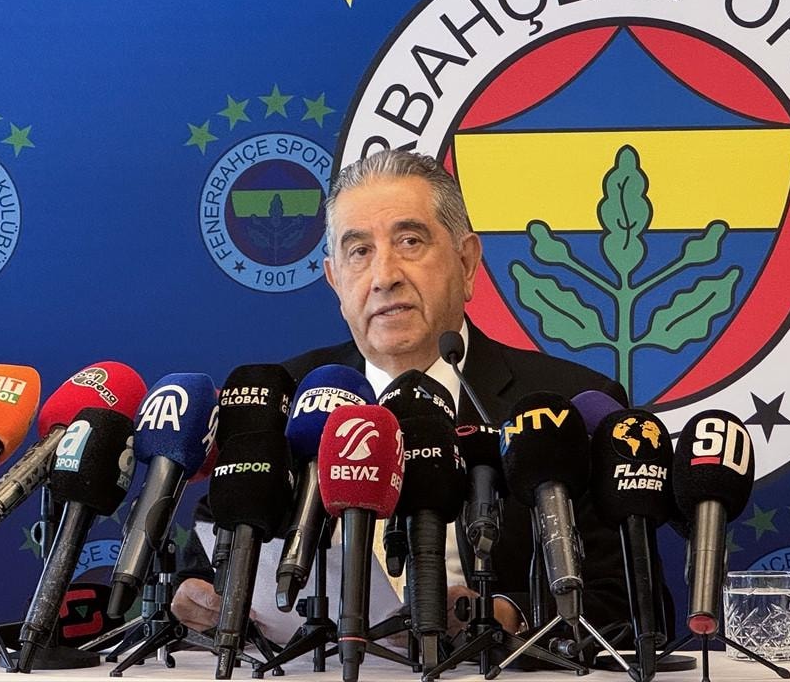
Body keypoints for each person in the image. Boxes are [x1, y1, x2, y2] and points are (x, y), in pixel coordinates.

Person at [171, 151, 650, 646]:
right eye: (359, 251)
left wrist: (504, 615)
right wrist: (197, 597)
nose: (384, 275)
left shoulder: (565, 403)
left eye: (410, 241)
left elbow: (631, 600)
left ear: (466, 262)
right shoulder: (285, 398)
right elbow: (205, 569)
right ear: (335, 280)